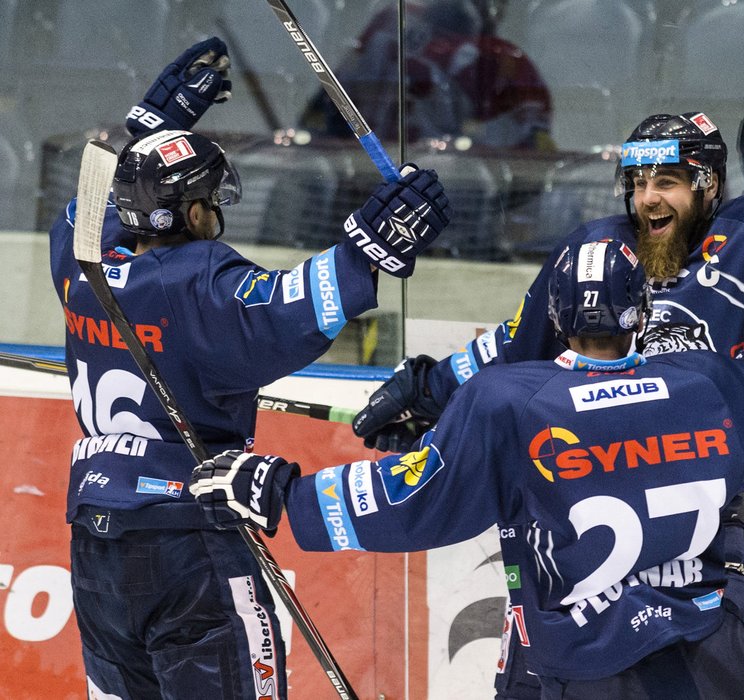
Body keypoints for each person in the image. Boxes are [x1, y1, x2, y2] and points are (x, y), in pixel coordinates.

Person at [348, 36, 744, 699]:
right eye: (639, 182)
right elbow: (516, 344)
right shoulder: (592, 251)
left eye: (669, 182)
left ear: (708, 186)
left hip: (693, 542)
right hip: (575, 535)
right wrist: (430, 390)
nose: (649, 200)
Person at [190, 236, 744, 699]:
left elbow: (413, 503)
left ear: (554, 316)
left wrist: (280, 493)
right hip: (718, 658)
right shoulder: (710, 381)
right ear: (640, 313)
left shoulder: (508, 401)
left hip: (588, 667)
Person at [49, 38, 451, 699]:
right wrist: (366, 250)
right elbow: (285, 313)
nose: (217, 210)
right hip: (187, 538)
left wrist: (146, 129)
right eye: (210, 199)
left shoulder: (80, 262)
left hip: (96, 542)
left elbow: (89, 199)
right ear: (195, 211)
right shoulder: (197, 282)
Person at [299, 0, 554, 151]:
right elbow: (329, 108)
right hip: (366, 182)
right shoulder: (387, 25)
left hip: (449, 203)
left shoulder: (504, 61)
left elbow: (527, 159)